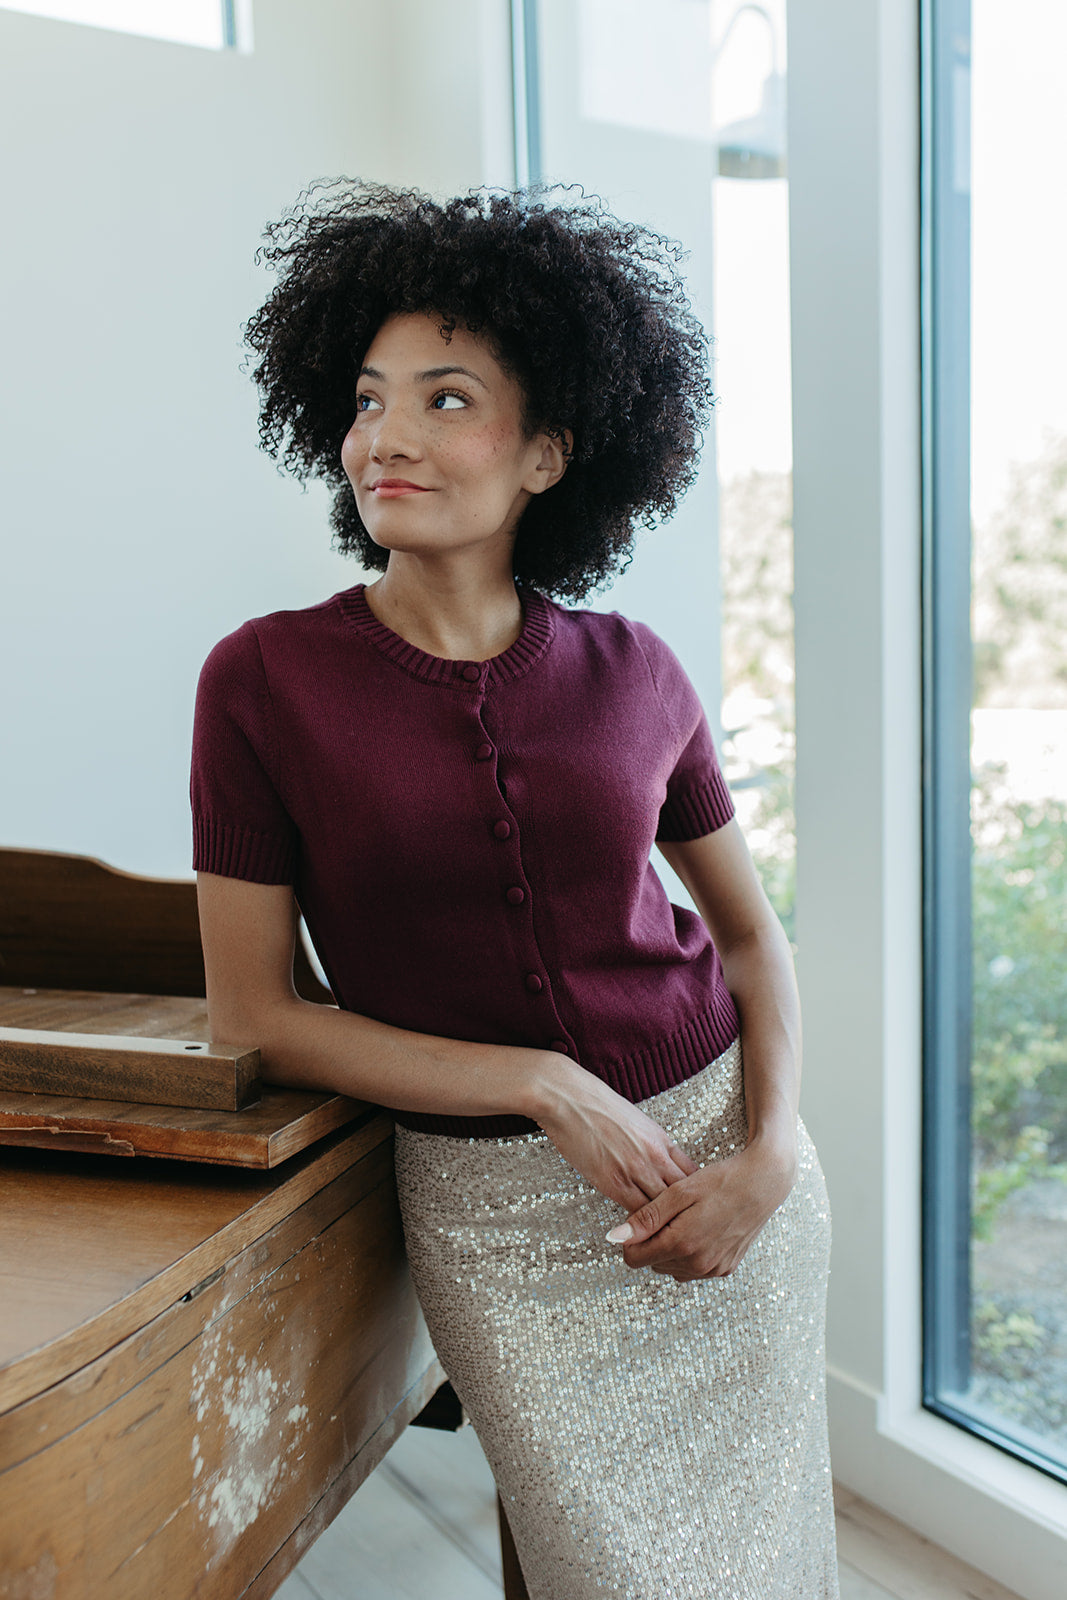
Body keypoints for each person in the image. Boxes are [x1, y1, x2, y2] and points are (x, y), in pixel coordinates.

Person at [191, 181, 838, 1600]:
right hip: (498, 1217)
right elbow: (255, 1014)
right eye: (367, 400)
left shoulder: (638, 671)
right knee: (605, 1568)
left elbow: (746, 934)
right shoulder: (262, 681)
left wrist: (773, 1156)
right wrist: (540, 1078)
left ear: (549, 454)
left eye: (445, 399)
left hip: (723, 1157)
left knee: (763, 1566)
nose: (388, 437)